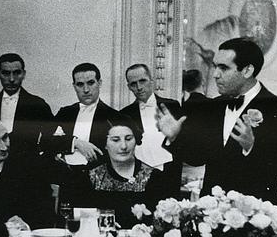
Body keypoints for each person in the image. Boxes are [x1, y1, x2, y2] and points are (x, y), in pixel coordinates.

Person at [157, 37, 277, 204]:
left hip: (256, 216)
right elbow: (197, 158)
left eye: (223, 68)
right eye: (215, 67)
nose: (215, 74)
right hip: (211, 213)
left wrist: (251, 147)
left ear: (247, 70)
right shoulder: (214, 106)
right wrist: (175, 137)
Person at [60, 117, 169, 228]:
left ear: (136, 140)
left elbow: (161, 226)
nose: (123, 146)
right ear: (105, 144)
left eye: (128, 139)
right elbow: (76, 222)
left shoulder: (155, 177)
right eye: (115, 140)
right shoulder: (89, 177)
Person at [0, 117, 56, 228]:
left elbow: (46, 215)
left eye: (5, 138)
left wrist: (25, 225)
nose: (4, 147)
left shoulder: (31, 170)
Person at [40, 62, 122, 169]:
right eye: (80, 84)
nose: (86, 90)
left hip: (97, 181)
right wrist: (75, 143)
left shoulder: (115, 117)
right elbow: (44, 141)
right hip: (65, 179)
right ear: (74, 86)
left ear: (99, 83)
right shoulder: (65, 112)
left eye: (91, 83)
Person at [120, 64, 183, 197]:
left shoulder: (172, 106)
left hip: (169, 174)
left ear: (151, 80)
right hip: (139, 178)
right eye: (133, 84)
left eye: (142, 81)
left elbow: (183, 142)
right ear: (129, 87)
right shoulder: (124, 114)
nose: (139, 87)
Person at [0, 53, 54, 161]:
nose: (11, 79)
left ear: (24, 74)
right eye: (6, 73)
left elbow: (53, 138)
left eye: (16, 73)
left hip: (28, 171)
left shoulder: (38, 104)